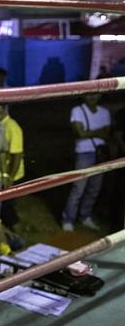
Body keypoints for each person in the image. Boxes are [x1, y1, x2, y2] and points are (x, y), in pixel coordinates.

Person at [61, 93, 111, 231]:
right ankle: (68, 219)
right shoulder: (77, 111)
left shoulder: (104, 112)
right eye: (90, 94)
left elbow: (106, 133)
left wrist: (88, 132)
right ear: (84, 96)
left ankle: (85, 216)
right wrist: (98, 132)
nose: (92, 97)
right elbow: (79, 133)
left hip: (100, 153)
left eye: (95, 94)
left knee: (94, 188)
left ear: (100, 96)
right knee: (79, 187)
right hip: (84, 152)